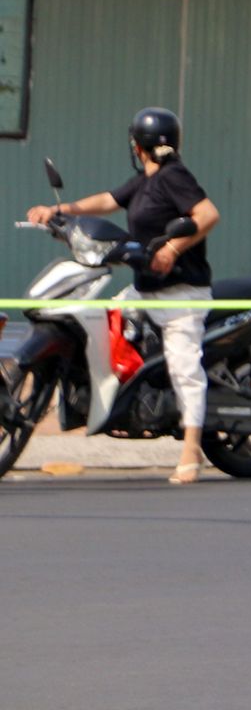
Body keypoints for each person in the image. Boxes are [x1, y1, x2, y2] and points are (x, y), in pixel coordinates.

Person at [27, 109, 219, 484]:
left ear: (137, 146)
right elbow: (108, 200)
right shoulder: (145, 181)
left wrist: (174, 249)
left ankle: (191, 450)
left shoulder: (174, 177)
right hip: (146, 290)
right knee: (105, 321)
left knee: (184, 368)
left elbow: (208, 214)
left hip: (182, 295)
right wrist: (58, 210)